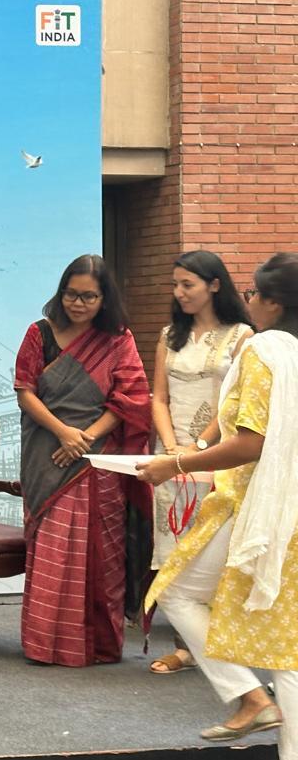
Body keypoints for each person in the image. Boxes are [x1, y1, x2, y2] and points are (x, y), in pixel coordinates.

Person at [139, 252, 298, 760]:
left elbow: (251, 441)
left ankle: (250, 700)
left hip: (257, 503)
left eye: (254, 293)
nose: (249, 301)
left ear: (272, 303)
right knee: (288, 648)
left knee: (177, 590)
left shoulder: (264, 349)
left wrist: (176, 464)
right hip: (287, 505)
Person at [14, 254, 151, 667]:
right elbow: (25, 391)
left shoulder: (118, 339)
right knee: (54, 546)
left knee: (101, 550)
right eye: (71, 294)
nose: (78, 303)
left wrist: (86, 438)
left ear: (104, 299)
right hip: (47, 452)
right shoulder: (39, 333)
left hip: (100, 457)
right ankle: (46, 644)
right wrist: (64, 433)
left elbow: (130, 399)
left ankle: (99, 645)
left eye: (89, 297)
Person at [148, 251, 252, 675]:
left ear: (214, 285)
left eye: (187, 284)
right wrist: (172, 447)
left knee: (211, 552)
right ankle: (186, 647)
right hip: (170, 456)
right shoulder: (169, 335)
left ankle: (221, 648)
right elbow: (158, 398)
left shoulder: (241, 336)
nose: (179, 292)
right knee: (173, 547)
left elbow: (234, 403)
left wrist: (198, 447)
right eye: (175, 285)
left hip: (217, 455)